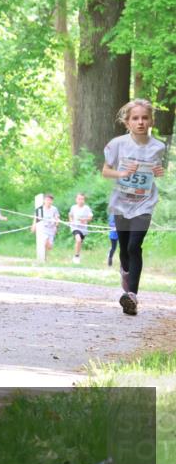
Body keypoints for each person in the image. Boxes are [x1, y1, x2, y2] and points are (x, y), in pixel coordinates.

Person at [101, 99, 166, 315]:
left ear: (151, 121)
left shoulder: (159, 146)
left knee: (134, 246)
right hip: (121, 203)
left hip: (144, 204)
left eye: (144, 118)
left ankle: (132, 297)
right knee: (124, 248)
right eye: (135, 118)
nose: (140, 122)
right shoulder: (117, 144)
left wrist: (157, 172)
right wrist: (122, 174)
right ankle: (126, 271)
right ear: (127, 122)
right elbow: (105, 171)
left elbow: (155, 169)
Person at [31, 193, 60, 261]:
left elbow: (57, 218)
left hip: (51, 229)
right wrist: (33, 226)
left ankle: (45, 257)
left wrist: (56, 226)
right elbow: (36, 219)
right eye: (47, 200)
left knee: (49, 247)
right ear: (44, 200)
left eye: (50, 200)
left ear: (52, 201)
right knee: (45, 241)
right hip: (43, 229)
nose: (48, 201)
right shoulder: (40, 209)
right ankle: (43, 258)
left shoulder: (54, 209)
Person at [68, 193, 94, 264]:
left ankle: (77, 255)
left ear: (84, 200)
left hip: (83, 229)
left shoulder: (86, 208)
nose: (81, 200)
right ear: (76, 200)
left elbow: (90, 217)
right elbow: (70, 215)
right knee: (78, 240)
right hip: (75, 227)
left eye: (82, 199)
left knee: (79, 242)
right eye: (79, 199)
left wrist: (84, 220)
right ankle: (76, 256)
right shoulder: (73, 207)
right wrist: (71, 221)